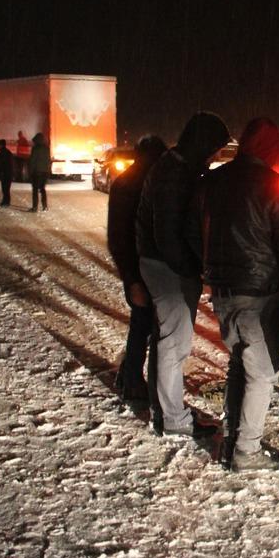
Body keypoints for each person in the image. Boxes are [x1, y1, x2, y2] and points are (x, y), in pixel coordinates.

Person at [200, 117, 279, 471]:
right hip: (257, 293)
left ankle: (229, 436)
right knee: (263, 373)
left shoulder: (214, 181)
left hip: (223, 292)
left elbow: (201, 229)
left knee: (238, 366)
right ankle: (246, 451)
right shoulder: (273, 184)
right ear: (270, 149)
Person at [137, 112, 230, 437]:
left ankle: (163, 411)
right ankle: (174, 420)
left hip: (163, 263)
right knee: (173, 343)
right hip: (167, 268)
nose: (217, 155)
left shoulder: (179, 167)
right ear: (202, 142)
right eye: (216, 148)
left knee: (168, 339)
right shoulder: (174, 174)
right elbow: (168, 236)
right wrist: (193, 270)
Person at [107, 134, 168, 411]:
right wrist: (132, 279)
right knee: (145, 325)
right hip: (143, 267)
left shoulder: (128, 180)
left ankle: (131, 376)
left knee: (143, 324)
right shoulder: (142, 182)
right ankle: (132, 379)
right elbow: (119, 236)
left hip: (140, 266)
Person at [28, 133, 51, 212]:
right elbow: (48, 160)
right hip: (45, 172)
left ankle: (35, 207)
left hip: (37, 172)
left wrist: (30, 172)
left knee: (35, 190)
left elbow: (33, 161)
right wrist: (48, 171)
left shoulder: (35, 148)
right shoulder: (47, 148)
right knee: (42, 189)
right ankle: (45, 206)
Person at [0, 139, 14, 206]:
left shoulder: (2, 153)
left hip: (5, 173)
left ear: (1, 145)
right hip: (9, 173)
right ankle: (6, 201)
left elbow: (0, 164)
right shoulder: (8, 152)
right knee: (7, 188)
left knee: (4, 188)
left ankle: (5, 202)